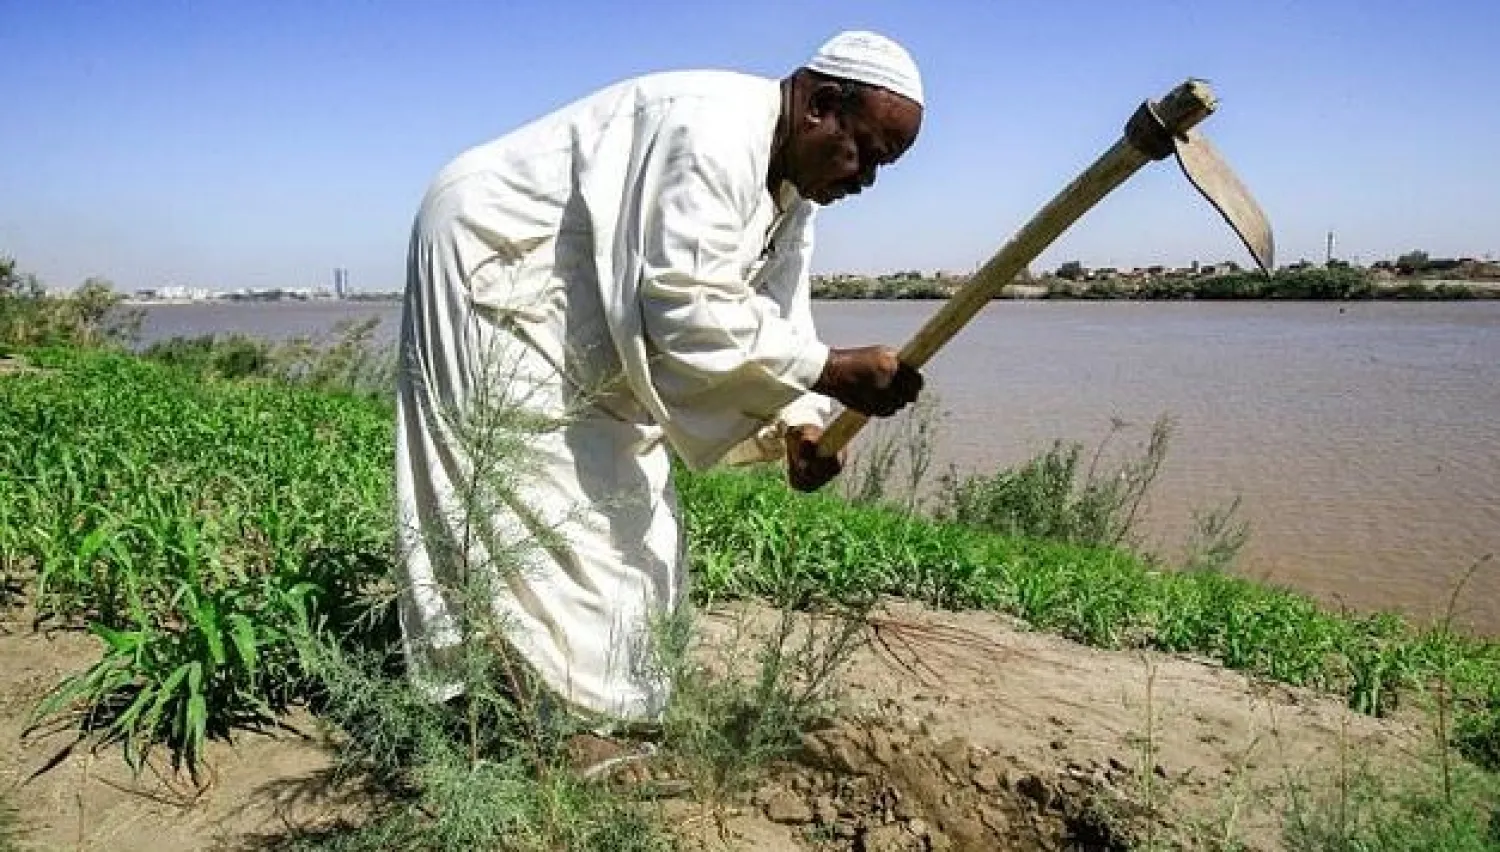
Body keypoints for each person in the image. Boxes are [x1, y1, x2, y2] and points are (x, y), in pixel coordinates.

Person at [394, 30, 927, 728]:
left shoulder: (797, 190)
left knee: (625, 492)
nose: (866, 180)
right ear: (820, 105)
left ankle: (582, 703)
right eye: (866, 153)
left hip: (583, 287)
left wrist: (800, 423)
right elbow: (683, 306)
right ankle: (521, 711)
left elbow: (777, 310)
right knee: (527, 475)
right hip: (490, 250)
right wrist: (831, 371)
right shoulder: (709, 133)